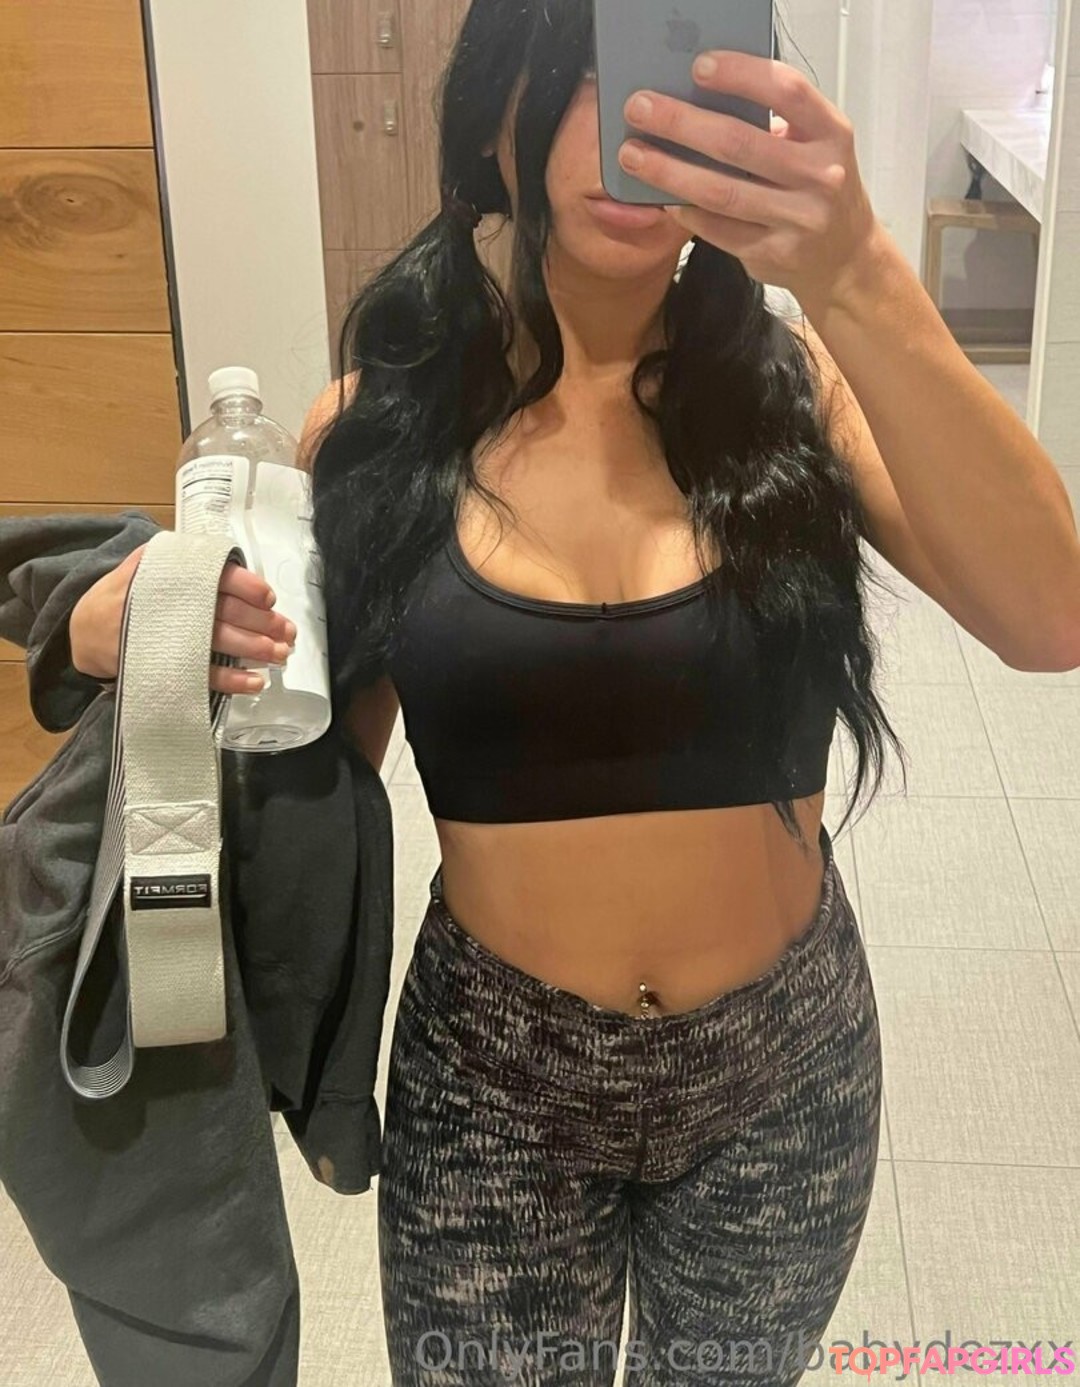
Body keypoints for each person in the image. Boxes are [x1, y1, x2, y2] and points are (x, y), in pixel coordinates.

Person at [293, 4, 906, 1384]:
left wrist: (856, 263)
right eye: (575, 79)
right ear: (493, 125)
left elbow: (1051, 615)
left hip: (780, 1069)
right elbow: (302, 783)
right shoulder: (377, 428)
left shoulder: (797, 391)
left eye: (663, 80)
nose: (626, 127)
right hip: (495, 1081)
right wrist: (143, 623)